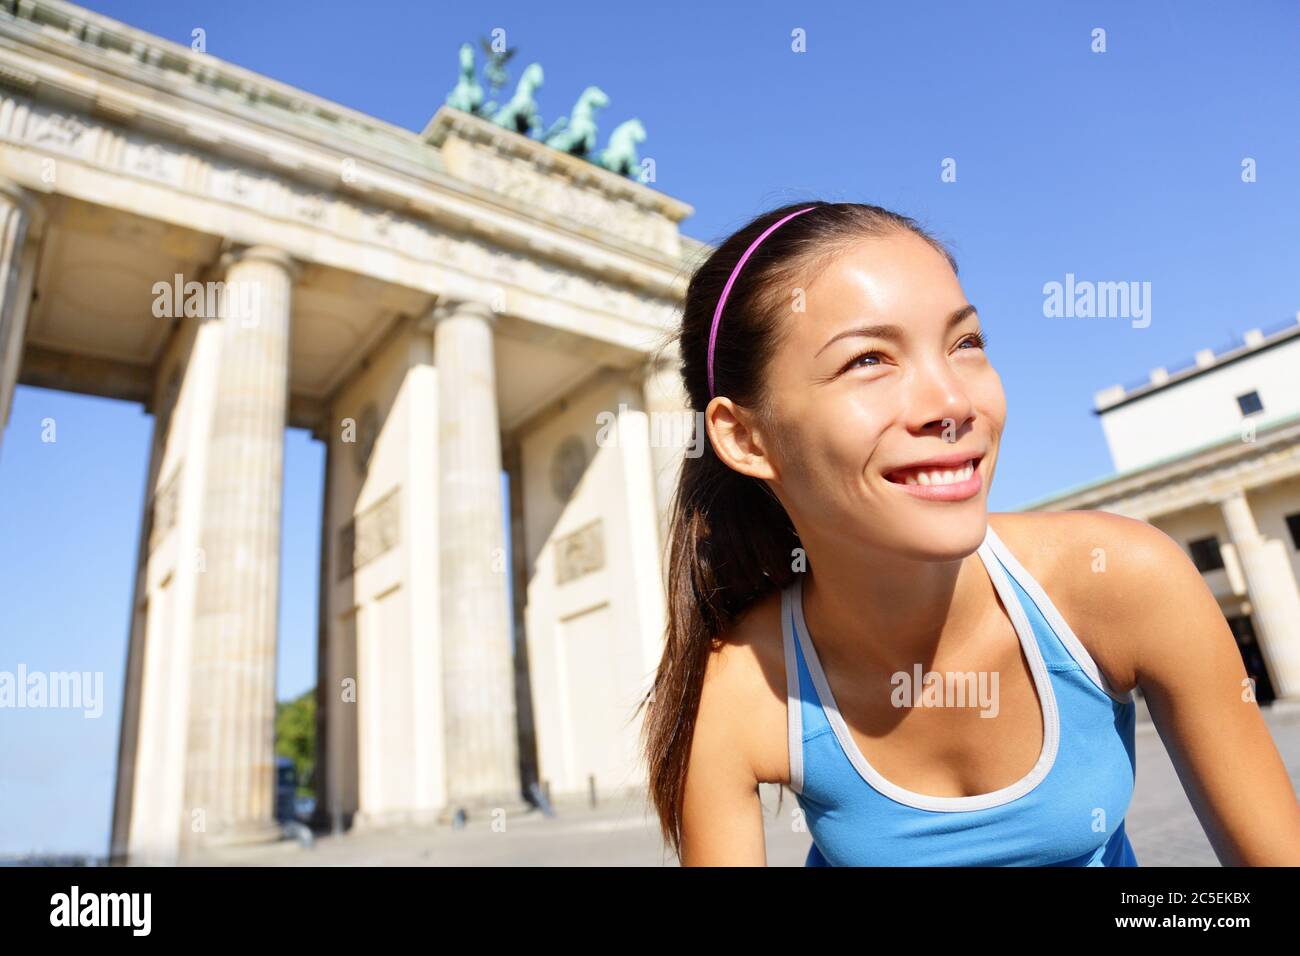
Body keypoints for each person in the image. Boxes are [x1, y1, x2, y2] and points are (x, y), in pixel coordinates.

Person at [636, 200, 1300, 866]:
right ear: (745, 437)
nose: (953, 403)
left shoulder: (1123, 579)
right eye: (869, 359)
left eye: (965, 343)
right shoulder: (739, 685)